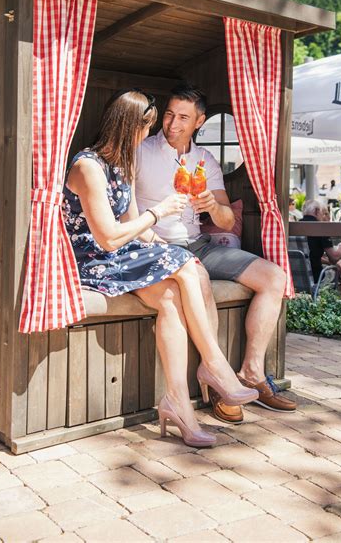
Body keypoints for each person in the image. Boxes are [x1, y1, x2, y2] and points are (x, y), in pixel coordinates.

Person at [63, 89, 258, 448]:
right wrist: (161, 213)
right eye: (145, 128)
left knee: (170, 295)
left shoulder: (122, 165)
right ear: (127, 127)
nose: (147, 136)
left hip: (120, 255)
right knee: (184, 262)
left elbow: (133, 221)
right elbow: (107, 238)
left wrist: (157, 238)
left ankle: (178, 404)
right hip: (92, 260)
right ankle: (215, 365)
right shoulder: (88, 166)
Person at [136, 83, 295, 425]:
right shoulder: (142, 151)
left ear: (200, 121)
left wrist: (211, 204)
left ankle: (252, 370)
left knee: (274, 277)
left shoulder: (204, 160)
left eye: (183, 117)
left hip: (201, 244)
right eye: (169, 114)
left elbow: (225, 218)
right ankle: (221, 384)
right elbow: (125, 209)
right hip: (160, 247)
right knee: (200, 279)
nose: (173, 124)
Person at [301, 200, 341, 295]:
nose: (322, 216)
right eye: (322, 213)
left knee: (338, 268)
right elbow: (334, 257)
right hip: (318, 277)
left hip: (297, 277)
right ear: (316, 211)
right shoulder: (320, 227)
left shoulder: (295, 227)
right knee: (337, 270)